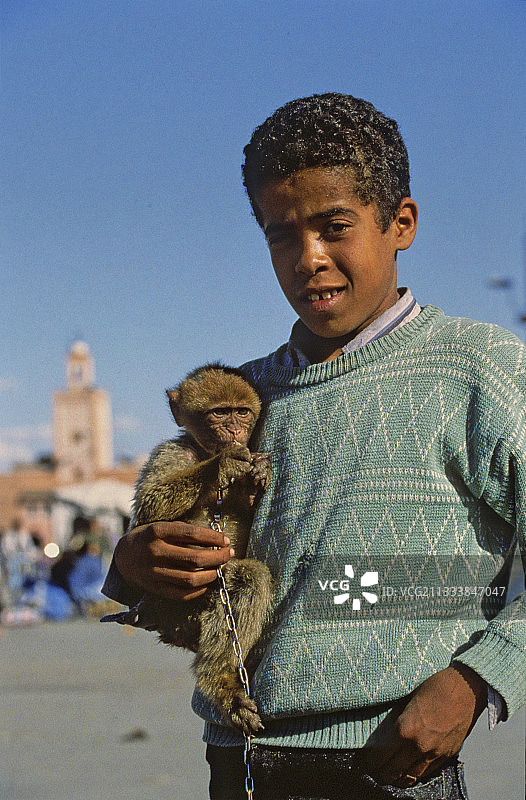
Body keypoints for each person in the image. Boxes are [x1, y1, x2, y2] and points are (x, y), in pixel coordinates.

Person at [102, 93, 525, 800]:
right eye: (280, 236)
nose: (309, 259)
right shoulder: (237, 399)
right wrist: (136, 568)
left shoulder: (478, 369)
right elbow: (198, 577)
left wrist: (478, 680)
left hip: (393, 761)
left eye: (334, 227)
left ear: (401, 224)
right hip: (236, 759)